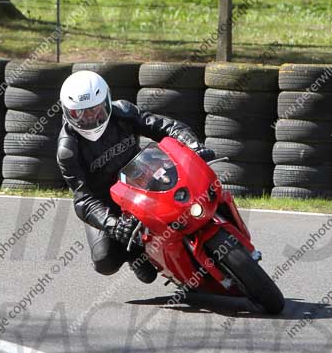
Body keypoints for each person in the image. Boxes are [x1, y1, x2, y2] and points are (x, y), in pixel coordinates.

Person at [56, 71, 214, 284]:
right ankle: (135, 253)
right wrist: (112, 224)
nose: (90, 118)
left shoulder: (123, 111)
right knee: (104, 260)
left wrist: (192, 144)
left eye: (94, 109)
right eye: (80, 114)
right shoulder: (68, 149)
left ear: (106, 102)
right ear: (68, 112)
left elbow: (165, 127)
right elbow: (83, 199)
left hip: (143, 176)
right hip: (107, 202)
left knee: (191, 191)